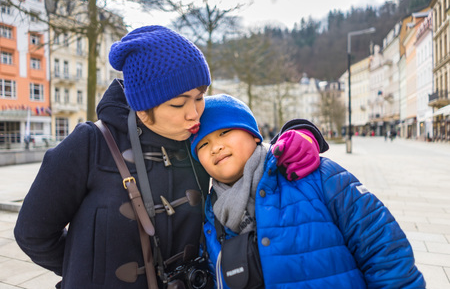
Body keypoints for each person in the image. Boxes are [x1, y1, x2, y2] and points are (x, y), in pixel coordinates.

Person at [14, 25, 214, 288]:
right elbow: (33, 233)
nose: (194, 113)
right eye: (178, 103)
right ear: (143, 107)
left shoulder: (202, 141)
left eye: (199, 98)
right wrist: (88, 269)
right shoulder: (90, 143)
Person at [190, 94, 426, 288]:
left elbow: (384, 252)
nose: (216, 147)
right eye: (203, 144)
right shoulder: (210, 219)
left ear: (253, 134)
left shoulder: (315, 175)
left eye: (224, 132)